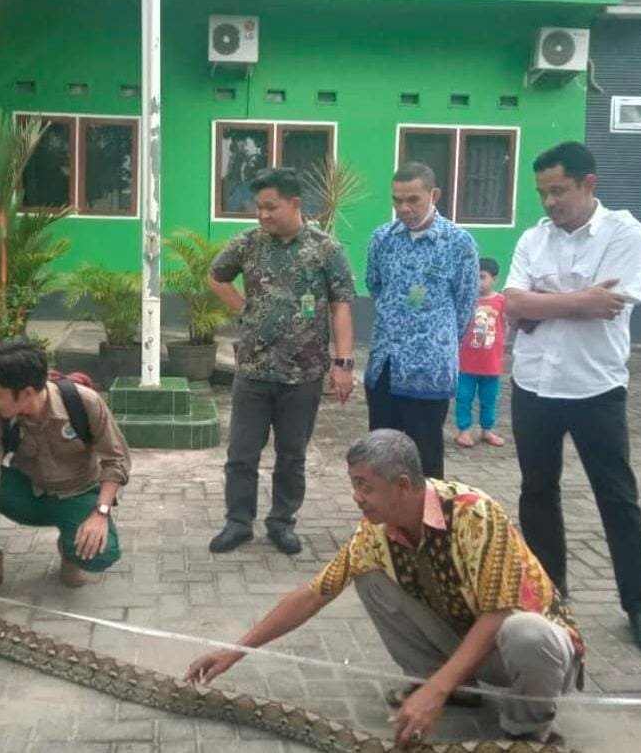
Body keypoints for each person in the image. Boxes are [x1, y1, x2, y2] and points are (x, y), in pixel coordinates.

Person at [186, 430, 581, 748]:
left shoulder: (475, 513)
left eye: (364, 486)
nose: (357, 497)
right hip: (470, 645)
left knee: (524, 630)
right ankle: (453, 689)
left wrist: (435, 692)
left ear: (404, 485)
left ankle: (525, 735)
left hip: (534, 657)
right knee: (370, 577)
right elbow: (313, 594)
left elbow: (497, 614)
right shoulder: (373, 532)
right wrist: (235, 651)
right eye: (353, 484)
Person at [504, 140, 641, 659]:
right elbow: (512, 303)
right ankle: (550, 598)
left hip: (596, 388)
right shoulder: (534, 238)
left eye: (559, 190)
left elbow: (611, 306)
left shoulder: (626, 233)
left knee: (617, 499)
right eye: (542, 193)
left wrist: (542, 302)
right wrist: (577, 299)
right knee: (537, 493)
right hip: (533, 387)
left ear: (588, 184)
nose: (550, 202)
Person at [206, 167, 356, 555]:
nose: (263, 215)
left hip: (303, 375)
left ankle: (281, 522)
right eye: (259, 208)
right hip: (254, 371)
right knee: (241, 455)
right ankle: (238, 523)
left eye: (270, 207)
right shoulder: (249, 243)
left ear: (294, 204)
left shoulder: (327, 250)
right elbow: (216, 276)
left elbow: (341, 307)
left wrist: (343, 365)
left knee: (292, 456)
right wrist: (245, 309)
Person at [0, 339, 129, 606]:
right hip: (29, 493)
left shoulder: (83, 403)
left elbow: (116, 461)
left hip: (77, 494)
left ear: (26, 393)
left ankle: (69, 550)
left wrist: (101, 513)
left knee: (102, 555)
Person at [364, 162, 479, 478]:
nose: (404, 208)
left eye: (413, 199)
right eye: (397, 200)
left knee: (425, 460)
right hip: (385, 367)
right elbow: (375, 286)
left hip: (430, 371)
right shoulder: (382, 239)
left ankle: (427, 526)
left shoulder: (458, 243)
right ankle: (384, 526)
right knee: (381, 458)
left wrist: (433, 339)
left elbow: (466, 306)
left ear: (434, 195)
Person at [455, 258, 506, 449]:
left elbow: (507, 324)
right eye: (474, 277)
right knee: (463, 397)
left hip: (491, 363)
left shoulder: (501, 301)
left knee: (489, 399)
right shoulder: (465, 300)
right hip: (465, 362)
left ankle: (487, 430)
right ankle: (464, 431)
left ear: (495, 279)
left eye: (482, 277)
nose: (478, 281)